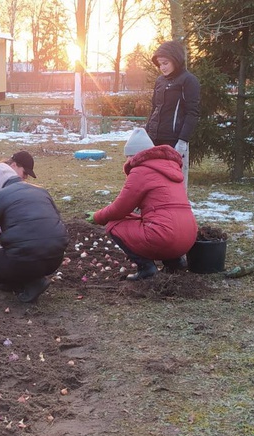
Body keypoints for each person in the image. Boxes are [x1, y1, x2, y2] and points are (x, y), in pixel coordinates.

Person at [86, 128, 197, 281]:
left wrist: (98, 216)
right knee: (153, 219)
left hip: (166, 238)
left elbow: (120, 209)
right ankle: (175, 262)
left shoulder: (141, 171)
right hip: (188, 237)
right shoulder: (170, 168)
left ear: (134, 156)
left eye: (127, 157)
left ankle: (146, 268)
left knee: (114, 224)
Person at [0, 163, 68, 302]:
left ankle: (32, 282)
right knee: (16, 254)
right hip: (55, 258)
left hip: (25, 260)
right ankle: (18, 280)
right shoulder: (41, 191)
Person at [145, 40, 200, 190]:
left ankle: (174, 211)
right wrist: (146, 132)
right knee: (151, 177)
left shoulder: (188, 80)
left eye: (165, 63)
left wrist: (182, 141)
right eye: (159, 64)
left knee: (173, 182)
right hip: (153, 137)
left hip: (173, 140)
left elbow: (192, 113)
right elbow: (155, 108)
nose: (162, 67)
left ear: (175, 60)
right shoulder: (160, 81)